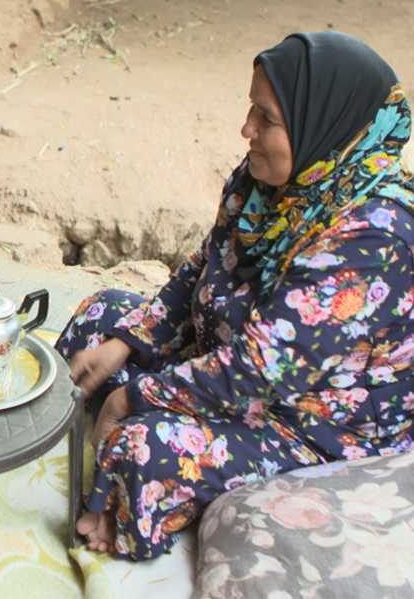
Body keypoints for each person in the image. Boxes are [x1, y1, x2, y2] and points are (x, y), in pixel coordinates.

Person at [56, 31, 414, 560]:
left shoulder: (372, 237)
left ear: (325, 125)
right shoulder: (263, 181)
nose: (246, 129)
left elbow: (260, 372)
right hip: (226, 360)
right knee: (101, 320)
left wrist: (132, 397)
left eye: (266, 119)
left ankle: (125, 505)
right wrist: (127, 343)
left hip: (309, 422)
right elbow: (203, 268)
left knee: (143, 449)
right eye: (252, 110)